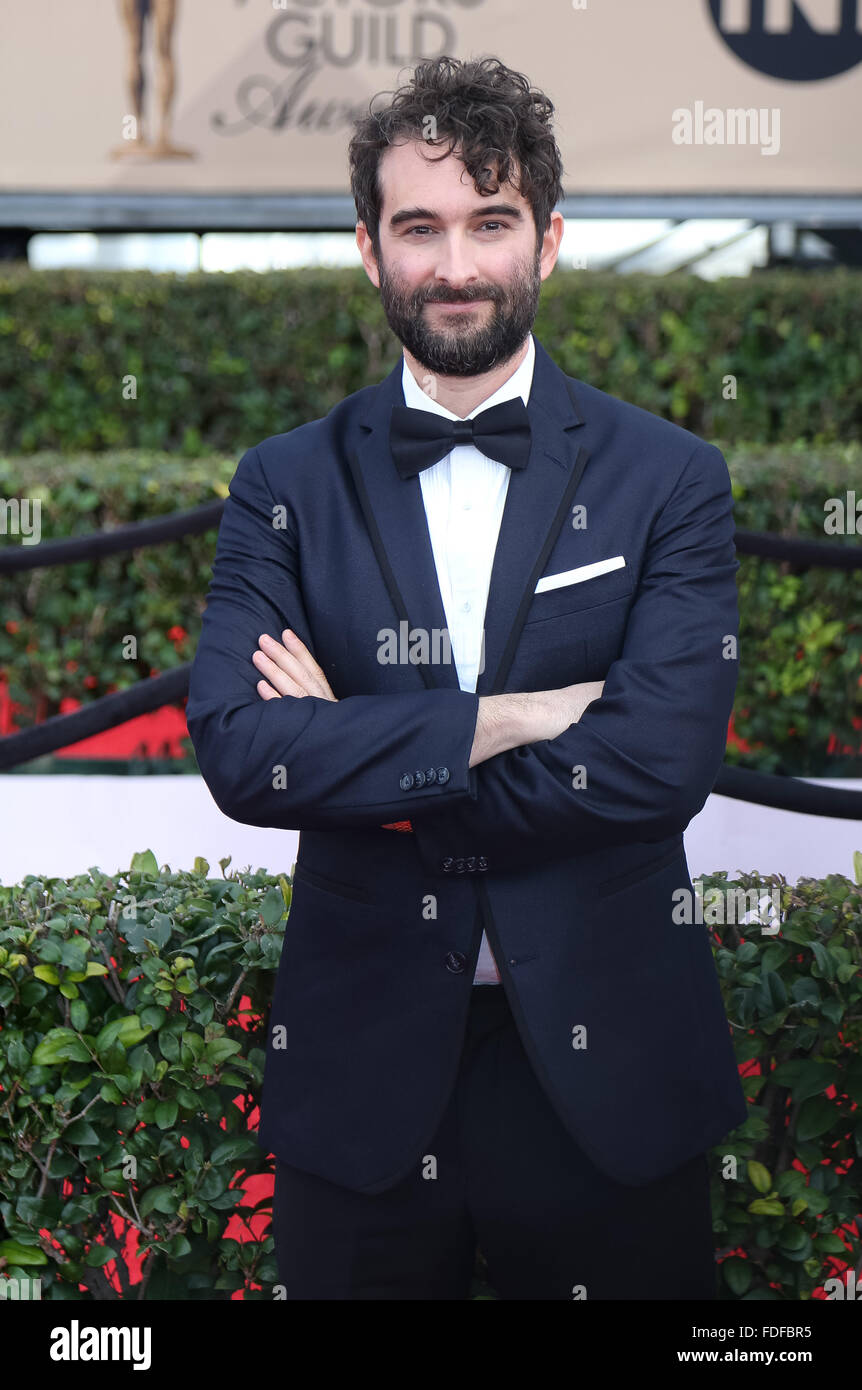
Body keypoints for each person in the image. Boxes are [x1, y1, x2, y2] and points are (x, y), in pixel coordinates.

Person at [186, 55, 746, 1300]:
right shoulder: (285, 482)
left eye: (490, 223)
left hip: (610, 1085)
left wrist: (362, 750)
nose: (455, 265)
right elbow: (236, 747)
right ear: (367, 247)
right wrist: (503, 719)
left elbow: (658, 766)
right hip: (365, 1082)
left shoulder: (669, 479)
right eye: (419, 227)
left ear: (547, 243)